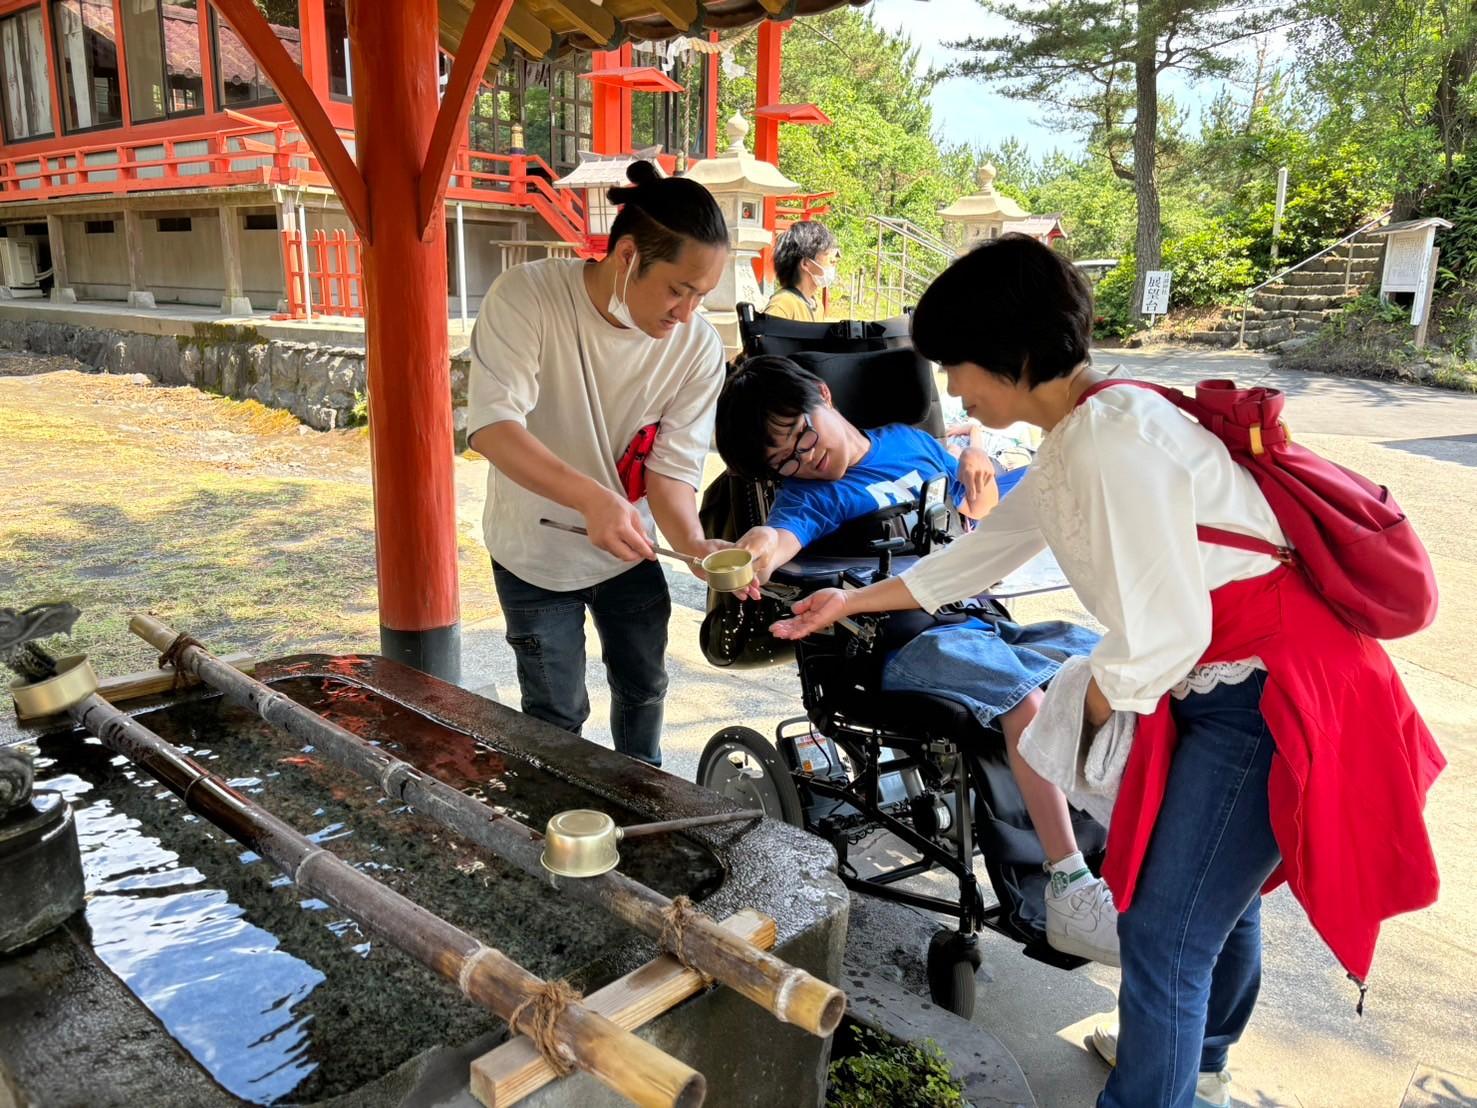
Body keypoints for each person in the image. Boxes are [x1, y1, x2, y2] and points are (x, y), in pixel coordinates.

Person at [768, 234, 1443, 1108]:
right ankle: (1194, 1062)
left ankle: (1158, 1087)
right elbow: (982, 557)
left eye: (957, 368)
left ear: (1011, 357)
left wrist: (1074, 716)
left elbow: (1161, 637)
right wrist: (847, 603)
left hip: (1266, 691)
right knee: (1202, 900)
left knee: (1162, 932)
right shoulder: (1084, 432)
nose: (953, 393)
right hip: (1234, 680)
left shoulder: (1110, 438)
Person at [714, 354, 1120, 965]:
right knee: (1027, 699)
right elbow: (779, 535)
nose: (804, 460)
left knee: (1101, 665)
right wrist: (757, 550)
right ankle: (1068, 884)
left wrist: (976, 489)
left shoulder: (909, 442)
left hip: (974, 618)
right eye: (784, 462)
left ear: (823, 394)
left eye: (800, 435)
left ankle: (1124, 853)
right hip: (900, 645)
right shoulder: (809, 498)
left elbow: (973, 525)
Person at [465, 161, 749, 768]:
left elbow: (670, 471)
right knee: (557, 713)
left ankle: (644, 802)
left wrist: (695, 544)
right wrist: (592, 499)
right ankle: (560, 832)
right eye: (678, 289)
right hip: (534, 552)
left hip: (629, 547)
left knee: (644, 688)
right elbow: (492, 427)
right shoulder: (529, 296)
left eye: (702, 295)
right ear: (626, 256)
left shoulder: (696, 347)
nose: (686, 313)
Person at [764, 221, 839, 322]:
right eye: (826, 254)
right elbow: (767, 336)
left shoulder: (816, 304)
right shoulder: (782, 305)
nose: (833, 261)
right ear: (805, 264)